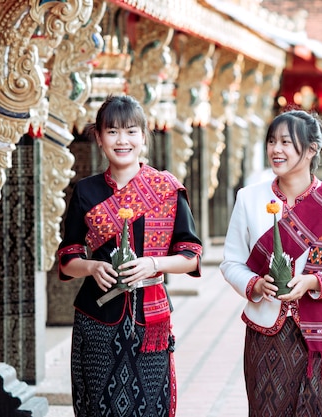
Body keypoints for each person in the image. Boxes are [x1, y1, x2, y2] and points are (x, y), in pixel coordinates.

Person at [56, 94, 203, 417]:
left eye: (131, 131)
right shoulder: (86, 190)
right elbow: (68, 256)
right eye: (112, 132)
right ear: (98, 137)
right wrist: (92, 266)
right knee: (97, 407)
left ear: (144, 136)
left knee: (150, 406)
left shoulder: (165, 189)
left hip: (150, 322)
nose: (122, 140)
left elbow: (190, 255)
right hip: (96, 319)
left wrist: (153, 263)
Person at [220, 109, 322, 417]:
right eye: (272, 141)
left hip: (321, 334)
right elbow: (231, 262)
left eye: (287, 142)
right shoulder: (249, 199)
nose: (276, 149)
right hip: (265, 330)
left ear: (312, 148)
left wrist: (314, 282)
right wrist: (256, 284)